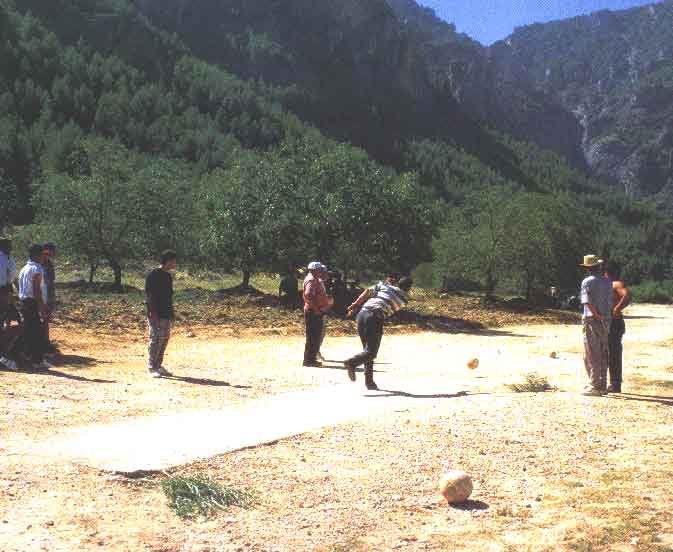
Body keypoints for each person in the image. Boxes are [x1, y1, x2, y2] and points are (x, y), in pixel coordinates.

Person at [344, 274, 413, 390]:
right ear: (409, 288)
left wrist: (354, 305)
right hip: (374, 318)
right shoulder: (404, 298)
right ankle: (352, 363)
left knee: (366, 352)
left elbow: (367, 291)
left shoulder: (385, 286)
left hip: (362, 314)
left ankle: (369, 382)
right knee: (371, 353)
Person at [579, 255, 613, 396]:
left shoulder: (587, 281)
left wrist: (595, 314)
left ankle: (594, 385)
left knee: (591, 352)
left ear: (587, 268)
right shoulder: (607, 281)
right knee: (604, 351)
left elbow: (587, 301)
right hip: (606, 319)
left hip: (592, 319)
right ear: (598, 267)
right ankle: (603, 384)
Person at [17, 244, 51, 371]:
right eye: (43, 254)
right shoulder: (37, 269)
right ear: (37, 255)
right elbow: (37, 290)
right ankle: (36, 360)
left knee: (30, 331)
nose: (44, 257)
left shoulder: (24, 268)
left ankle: (34, 358)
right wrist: (42, 307)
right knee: (36, 332)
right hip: (32, 303)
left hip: (25, 302)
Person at [145, 250, 177, 378]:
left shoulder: (168, 276)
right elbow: (149, 295)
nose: (175, 263)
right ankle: (152, 366)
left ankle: (158, 365)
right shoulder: (153, 275)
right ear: (168, 261)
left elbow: (169, 296)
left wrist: (172, 312)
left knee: (165, 338)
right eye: (174, 261)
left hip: (166, 312)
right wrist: (152, 312)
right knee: (156, 338)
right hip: (155, 312)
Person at [604, 261, 631, 393]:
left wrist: (616, 309)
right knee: (611, 352)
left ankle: (615, 384)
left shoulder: (616, 284)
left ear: (607, 272)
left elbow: (627, 295)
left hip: (614, 323)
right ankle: (613, 383)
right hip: (613, 322)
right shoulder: (612, 284)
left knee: (613, 352)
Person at [303, 261, 332, 367]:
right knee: (313, 337)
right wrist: (316, 309)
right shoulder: (311, 280)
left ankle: (310, 359)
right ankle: (309, 361)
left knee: (314, 336)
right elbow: (308, 295)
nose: (321, 271)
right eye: (319, 270)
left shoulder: (314, 279)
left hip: (315, 311)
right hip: (313, 312)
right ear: (314, 270)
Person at [0, 238, 19, 371]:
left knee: (8, 321)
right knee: (5, 319)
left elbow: (12, 277)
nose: (11, 247)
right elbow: (7, 277)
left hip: (6, 290)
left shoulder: (8, 258)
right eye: (8, 245)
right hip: (3, 290)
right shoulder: (3, 258)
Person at [42, 243, 57, 351]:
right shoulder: (40, 264)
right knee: (42, 319)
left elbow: (51, 281)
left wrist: (52, 296)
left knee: (46, 318)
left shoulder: (49, 263)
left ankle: (46, 341)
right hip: (42, 294)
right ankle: (43, 342)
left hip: (48, 293)